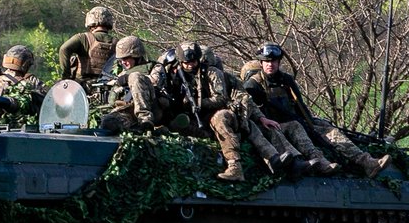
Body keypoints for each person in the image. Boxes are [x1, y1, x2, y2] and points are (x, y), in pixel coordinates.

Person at [242, 43, 392, 178]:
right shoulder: (253, 85)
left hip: (294, 119)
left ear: (278, 62)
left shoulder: (285, 80)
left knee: (329, 130)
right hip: (274, 126)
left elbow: (299, 105)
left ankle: (367, 162)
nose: (270, 64)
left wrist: (311, 123)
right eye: (267, 61)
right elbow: (251, 113)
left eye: (273, 61)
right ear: (261, 63)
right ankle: (321, 162)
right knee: (296, 126)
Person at [155, 41, 245, 182]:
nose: (190, 65)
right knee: (176, 124)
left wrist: (199, 103)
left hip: (210, 114)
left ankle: (235, 166)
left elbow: (221, 98)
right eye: (186, 62)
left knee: (220, 118)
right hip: (186, 118)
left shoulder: (211, 72)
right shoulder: (170, 73)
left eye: (193, 61)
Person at [96, 35, 160, 133]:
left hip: (152, 108)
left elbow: (156, 82)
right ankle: (135, 130)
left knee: (135, 77)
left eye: (126, 58)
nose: (123, 62)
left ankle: (145, 121)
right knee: (108, 123)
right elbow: (114, 94)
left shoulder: (155, 67)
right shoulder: (123, 73)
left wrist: (129, 78)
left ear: (136, 55)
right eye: (121, 60)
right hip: (129, 111)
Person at [57, 6, 117, 92]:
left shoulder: (82, 38)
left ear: (90, 20)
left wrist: (66, 77)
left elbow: (64, 49)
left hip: (81, 88)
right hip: (107, 88)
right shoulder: (117, 42)